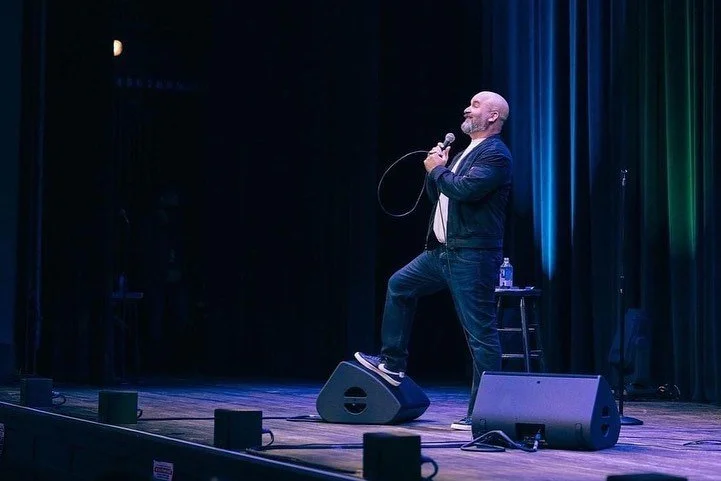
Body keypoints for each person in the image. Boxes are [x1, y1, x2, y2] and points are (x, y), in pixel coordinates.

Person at [355, 90, 512, 431]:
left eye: (475, 105)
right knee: (400, 285)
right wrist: (436, 171)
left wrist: (438, 170)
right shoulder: (466, 152)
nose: (467, 108)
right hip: (442, 252)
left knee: (480, 334)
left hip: (472, 255)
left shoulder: (496, 154)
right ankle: (393, 363)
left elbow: (466, 191)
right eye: (469, 103)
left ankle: (485, 413)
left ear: (492, 117)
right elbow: (440, 194)